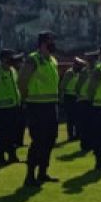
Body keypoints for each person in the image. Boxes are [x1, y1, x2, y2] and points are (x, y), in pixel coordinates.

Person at [18, 31, 61, 188]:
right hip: (37, 106)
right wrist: (26, 98)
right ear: (42, 43)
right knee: (38, 141)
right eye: (49, 41)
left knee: (50, 139)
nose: (52, 43)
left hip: (51, 106)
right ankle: (30, 175)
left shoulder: (52, 61)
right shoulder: (33, 59)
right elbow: (22, 80)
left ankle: (43, 172)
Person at [0, 49, 22, 166]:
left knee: (14, 133)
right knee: (2, 134)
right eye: (11, 57)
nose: (13, 60)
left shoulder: (13, 71)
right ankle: (0, 157)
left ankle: (12, 155)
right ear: (4, 59)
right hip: (1, 110)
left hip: (14, 107)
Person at [60, 61, 81, 141]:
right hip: (69, 97)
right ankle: (70, 135)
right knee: (70, 118)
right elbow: (63, 85)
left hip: (76, 97)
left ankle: (77, 134)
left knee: (77, 117)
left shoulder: (78, 73)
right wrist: (61, 98)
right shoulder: (69, 73)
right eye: (78, 65)